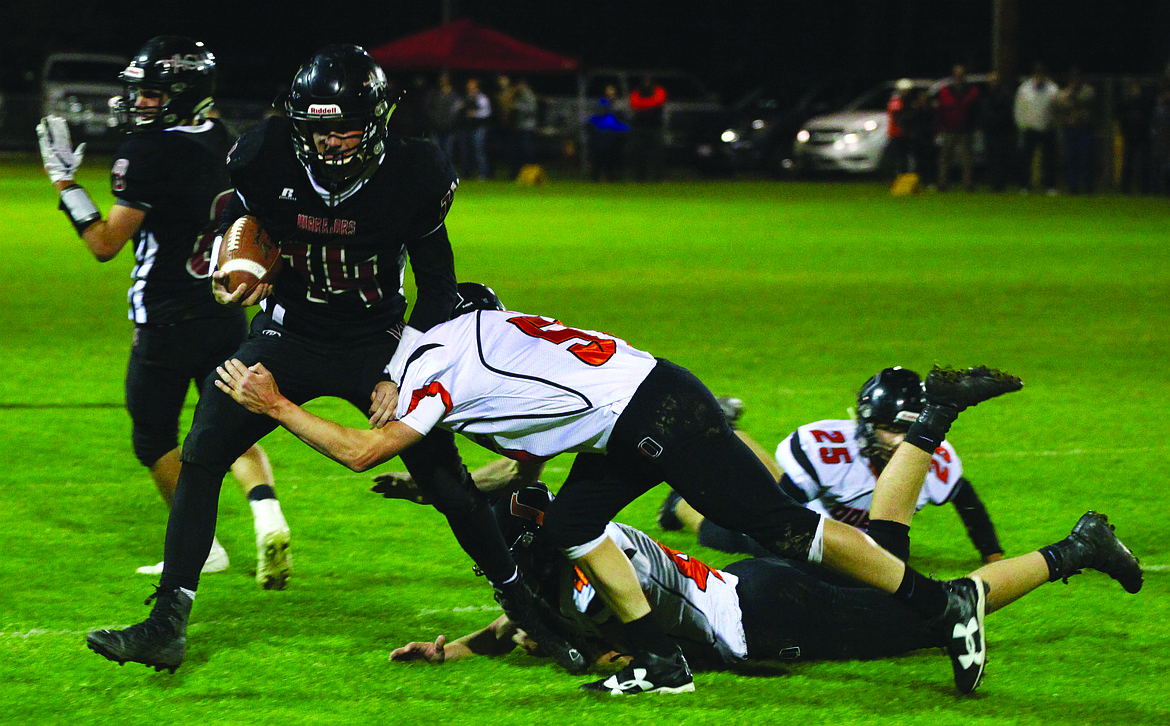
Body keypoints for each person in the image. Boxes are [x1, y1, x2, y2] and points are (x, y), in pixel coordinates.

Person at [211, 282, 1025, 695]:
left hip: (657, 416)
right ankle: (662, 661)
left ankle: (938, 603)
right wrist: (436, 488)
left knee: (780, 527)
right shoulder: (470, 340)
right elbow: (518, 466)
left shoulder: (431, 368)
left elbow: (360, 450)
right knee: (570, 526)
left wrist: (275, 403)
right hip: (636, 410)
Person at [85, 49, 581, 678]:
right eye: (321, 129)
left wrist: (404, 368)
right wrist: (239, 258)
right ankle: (166, 625)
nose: (334, 141)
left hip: (379, 339)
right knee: (204, 450)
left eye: (347, 128)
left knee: (448, 484)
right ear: (298, 123)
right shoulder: (262, 155)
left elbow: (437, 288)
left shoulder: (413, 168)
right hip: (289, 334)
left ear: (377, 121)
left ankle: (528, 610)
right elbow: (245, 220)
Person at [388, 483, 1141, 684]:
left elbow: (600, 646)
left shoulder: (590, 573)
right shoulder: (578, 550)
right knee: (906, 584)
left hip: (771, 618)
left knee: (945, 609)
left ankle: (1077, 548)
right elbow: (530, 622)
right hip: (755, 589)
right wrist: (450, 652)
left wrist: (593, 660)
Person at [35, 35, 287, 583]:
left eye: (151, 94)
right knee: (229, 423)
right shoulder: (222, 137)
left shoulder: (146, 152)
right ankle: (268, 514)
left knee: (153, 438)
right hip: (223, 308)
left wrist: (66, 184)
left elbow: (104, 242)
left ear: (181, 93)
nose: (139, 103)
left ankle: (204, 547)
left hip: (165, 318)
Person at [659, 367, 1004, 565]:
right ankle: (680, 502)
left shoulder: (933, 459)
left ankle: (728, 429)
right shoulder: (831, 447)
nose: (901, 442)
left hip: (846, 540)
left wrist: (992, 553)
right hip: (805, 518)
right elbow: (773, 512)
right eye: (893, 429)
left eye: (910, 432)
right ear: (868, 422)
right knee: (731, 534)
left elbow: (966, 500)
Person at [1015, 62, 1061, 194]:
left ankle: (1051, 186)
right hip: (1030, 128)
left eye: (1041, 72)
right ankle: (1025, 186)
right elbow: (1018, 108)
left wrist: (1056, 123)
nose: (1039, 75)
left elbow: (1057, 109)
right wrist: (1021, 125)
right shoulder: (1024, 88)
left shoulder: (1053, 88)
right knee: (1027, 159)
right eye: (1037, 72)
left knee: (1050, 160)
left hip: (1048, 127)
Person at [935, 65, 980, 191]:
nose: (959, 76)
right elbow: (940, 111)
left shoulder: (971, 90)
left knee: (967, 159)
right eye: (957, 73)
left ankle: (968, 184)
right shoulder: (945, 90)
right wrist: (940, 127)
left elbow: (975, 110)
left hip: (965, 129)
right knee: (945, 158)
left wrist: (974, 126)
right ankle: (942, 183)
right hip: (949, 129)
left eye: (961, 74)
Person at [1054, 68, 1097, 194]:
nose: (1075, 81)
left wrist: (1073, 97)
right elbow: (1060, 104)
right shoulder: (1064, 92)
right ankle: (1073, 186)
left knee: (1086, 158)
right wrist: (1071, 97)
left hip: (1084, 128)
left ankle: (1088, 186)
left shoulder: (1088, 90)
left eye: (1077, 78)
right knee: (1071, 158)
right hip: (1070, 128)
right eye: (1073, 79)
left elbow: (1086, 100)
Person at [977, 71, 1018, 192]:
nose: (991, 83)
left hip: (1001, 132)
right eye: (990, 80)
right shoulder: (986, 94)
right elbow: (982, 112)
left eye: (994, 80)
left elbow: (1006, 113)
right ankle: (993, 183)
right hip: (989, 132)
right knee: (990, 158)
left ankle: (1000, 184)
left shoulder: (1005, 94)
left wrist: (995, 122)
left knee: (1000, 158)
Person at [627, 77, 667, 181]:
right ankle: (640, 178)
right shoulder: (636, 93)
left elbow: (658, 101)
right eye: (645, 81)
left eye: (649, 81)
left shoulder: (659, 91)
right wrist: (650, 104)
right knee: (639, 154)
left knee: (657, 154)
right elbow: (635, 103)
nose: (646, 83)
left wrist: (643, 105)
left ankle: (658, 178)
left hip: (655, 128)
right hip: (640, 128)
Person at [588, 85, 630, 182]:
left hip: (609, 147)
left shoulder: (610, 118)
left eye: (603, 108)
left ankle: (611, 180)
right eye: (600, 107)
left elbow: (624, 128)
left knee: (609, 166)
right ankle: (595, 181)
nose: (601, 109)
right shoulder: (594, 118)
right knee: (596, 166)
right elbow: (588, 127)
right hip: (597, 147)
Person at [424, 72, 463, 161]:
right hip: (435, 126)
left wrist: (453, 123)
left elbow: (457, 111)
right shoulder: (434, 94)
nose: (443, 81)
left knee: (448, 151)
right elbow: (428, 109)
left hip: (450, 128)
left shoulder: (455, 96)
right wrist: (433, 120)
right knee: (435, 150)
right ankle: (437, 170)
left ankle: (446, 170)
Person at [458, 77, 491, 180]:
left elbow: (487, 112)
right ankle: (466, 173)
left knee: (479, 151)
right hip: (466, 127)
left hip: (478, 128)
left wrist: (475, 114)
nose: (470, 87)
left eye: (472, 85)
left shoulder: (481, 98)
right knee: (465, 151)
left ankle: (483, 173)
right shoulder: (464, 97)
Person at [886, 78, 914, 177]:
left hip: (905, 134)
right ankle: (893, 178)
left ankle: (903, 178)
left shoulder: (908, 100)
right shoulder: (895, 100)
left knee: (905, 158)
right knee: (895, 157)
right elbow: (897, 116)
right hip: (896, 133)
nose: (906, 92)